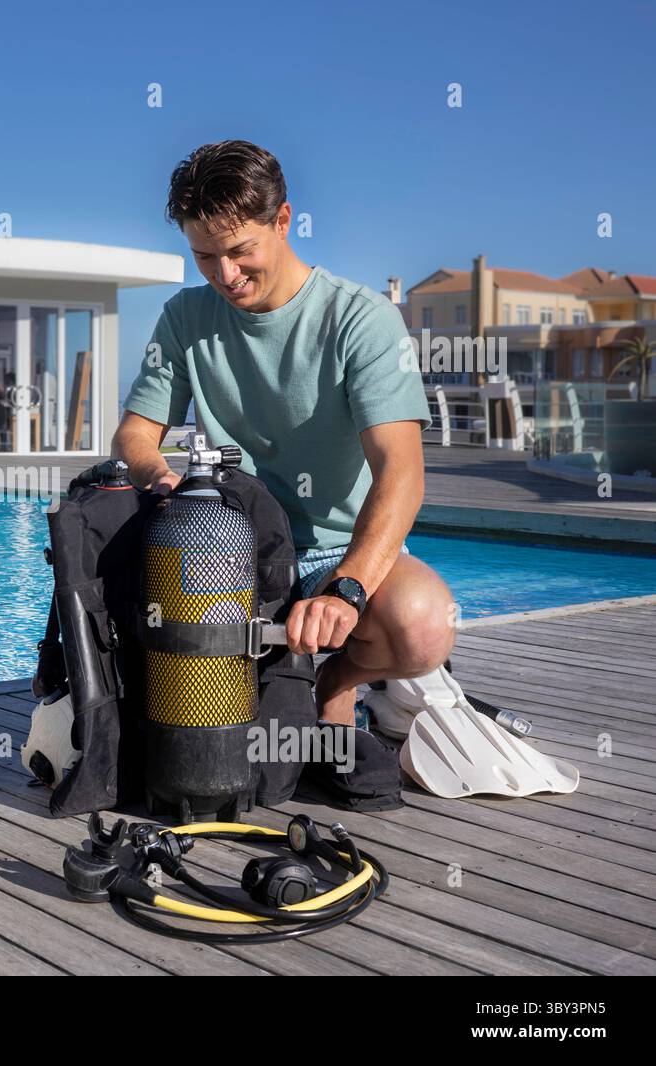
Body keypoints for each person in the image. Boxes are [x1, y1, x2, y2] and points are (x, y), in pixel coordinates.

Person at [113, 140, 455, 725]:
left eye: (240, 251)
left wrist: (345, 589)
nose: (225, 275)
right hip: (227, 550)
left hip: (334, 551)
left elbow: (402, 473)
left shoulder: (361, 318)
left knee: (423, 629)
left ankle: (340, 681)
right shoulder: (183, 317)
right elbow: (134, 437)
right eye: (204, 257)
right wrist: (158, 475)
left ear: (284, 220)